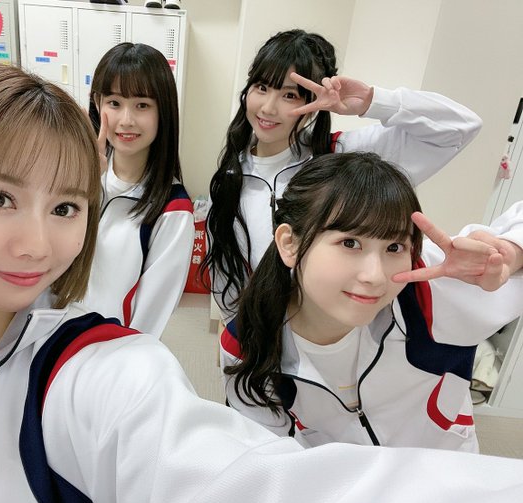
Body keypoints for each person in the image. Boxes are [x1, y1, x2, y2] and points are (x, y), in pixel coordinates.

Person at [0, 63, 523, 503]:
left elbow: (255, 484)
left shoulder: (101, 370)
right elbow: (230, 266)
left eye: (66, 207)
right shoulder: (234, 191)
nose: (37, 245)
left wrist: (509, 254)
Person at [221, 151, 523, 452]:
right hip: (343, 480)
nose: (375, 276)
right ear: (290, 243)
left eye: (394, 247)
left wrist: (511, 253)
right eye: (350, 243)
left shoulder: (432, 287)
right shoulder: (249, 340)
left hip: (444, 475)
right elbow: (268, 456)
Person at [201, 29, 483, 321]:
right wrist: (238, 331)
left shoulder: (344, 158)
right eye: (262, 87)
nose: (268, 108)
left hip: (332, 332)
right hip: (260, 331)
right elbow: (224, 273)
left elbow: (461, 127)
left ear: (314, 104)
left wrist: (372, 101)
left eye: (290, 95)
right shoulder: (230, 178)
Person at [84, 42, 194, 338]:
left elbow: (148, 322)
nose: (126, 120)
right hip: (50, 341)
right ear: (97, 103)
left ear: (163, 112)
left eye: (142, 105)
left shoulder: (173, 210)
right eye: (114, 103)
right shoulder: (78, 179)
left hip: (107, 352)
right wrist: (81, 185)